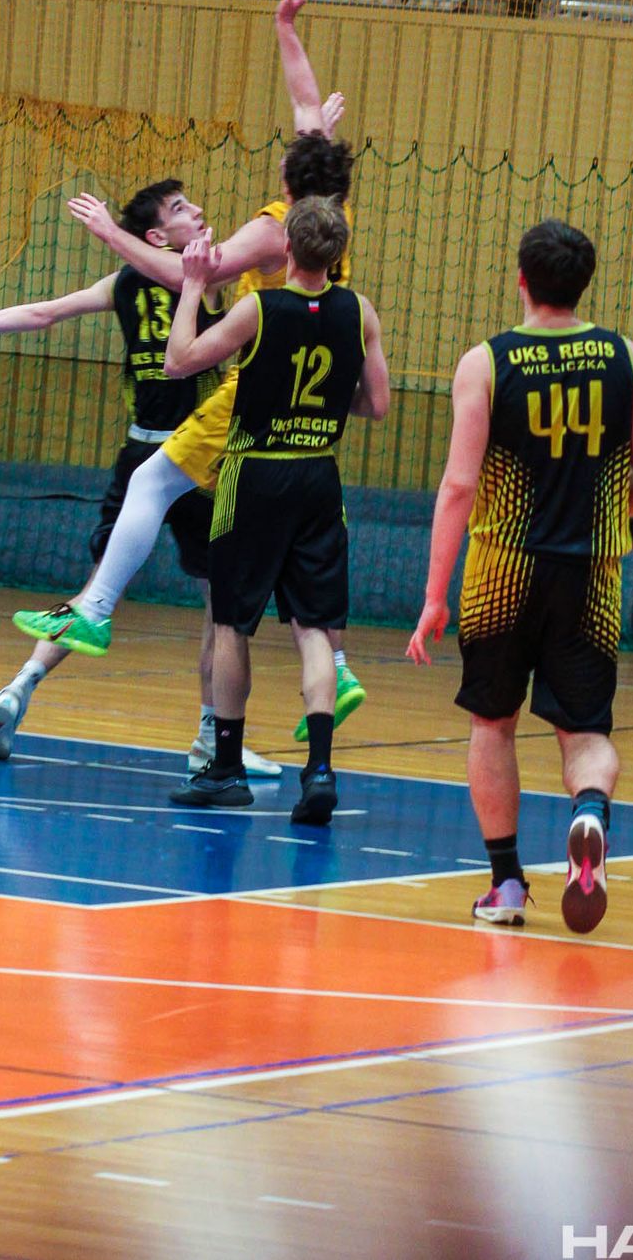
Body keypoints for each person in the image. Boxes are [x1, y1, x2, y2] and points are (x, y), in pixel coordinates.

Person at [14, 0, 368, 743]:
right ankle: (334, 665)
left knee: (152, 479)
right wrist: (285, 25)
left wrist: (113, 235)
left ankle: (96, 608)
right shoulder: (333, 212)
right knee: (303, 537)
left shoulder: (274, 228)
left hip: (256, 390)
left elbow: (187, 273)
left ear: (288, 174)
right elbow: (308, 102)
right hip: (315, 405)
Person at [0, 177, 280, 778]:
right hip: (196, 461)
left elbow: (42, 312)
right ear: (156, 237)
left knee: (97, 594)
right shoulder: (205, 280)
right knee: (221, 604)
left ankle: (19, 685)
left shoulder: (126, 283)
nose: (198, 211)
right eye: (181, 209)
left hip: (139, 455)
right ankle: (213, 736)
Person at [407, 219, 633, 933]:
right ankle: (590, 812)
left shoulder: (486, 363)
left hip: (501, 571)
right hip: (590, 574)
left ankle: (506, 885)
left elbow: (459, 486)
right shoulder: (622, 356)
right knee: (584, 729)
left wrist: (434, 595)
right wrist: (600, 515)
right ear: (583, 284)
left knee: (493, 723)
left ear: (520, 279)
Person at [161, 198, 389, 822]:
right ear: (337, 255)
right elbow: (376, 405)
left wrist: (193, 286)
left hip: (256, 472)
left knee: (232, 624)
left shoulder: (258, 309)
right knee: (314, 627)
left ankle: (226, 769)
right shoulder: (360, 311)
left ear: (286, 247)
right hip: (318, 474)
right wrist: (323, 401)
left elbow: (178, 360)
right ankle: (319, 770)